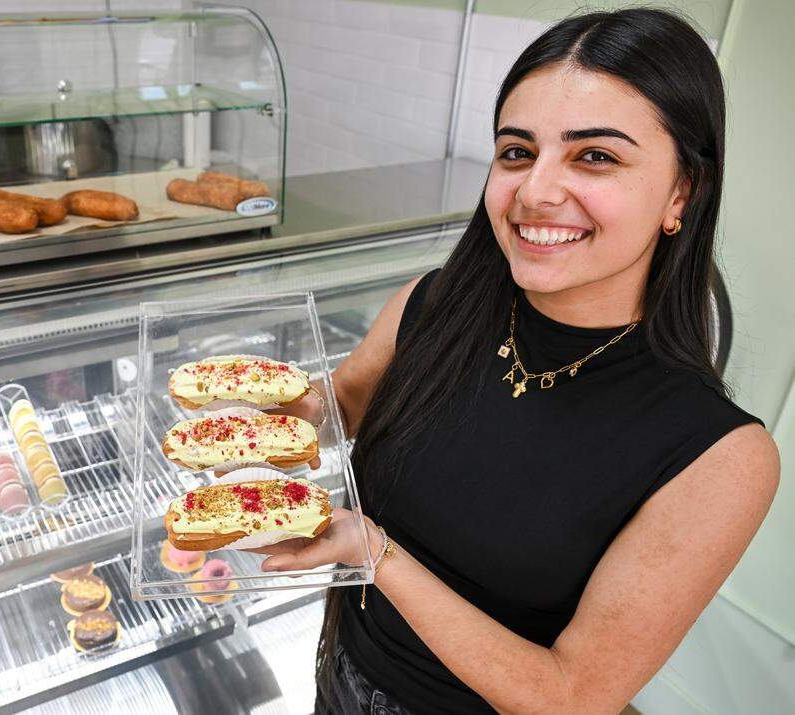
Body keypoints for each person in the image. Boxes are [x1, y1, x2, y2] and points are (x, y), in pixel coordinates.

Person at [256, 9, 780, 714]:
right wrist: (272, 412)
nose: (535, 191)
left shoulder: (721, 457)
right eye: (516, 152)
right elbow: (341, 403)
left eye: (595, 155)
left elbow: (572, 694)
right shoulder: (437, 303)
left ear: (681, 190)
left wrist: (373, 554)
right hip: (340, 679)